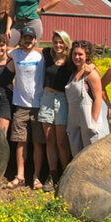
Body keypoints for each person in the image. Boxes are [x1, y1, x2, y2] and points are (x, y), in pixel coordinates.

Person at [5, 26, 45, 190]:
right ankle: (20, 176)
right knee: (21, 142)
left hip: (38, 105)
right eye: (25, 38)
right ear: (20, 40)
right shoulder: (15, 54)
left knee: (37, 143)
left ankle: (36, 176)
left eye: (31, 38)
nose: (28, 41)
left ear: (36, 40)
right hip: (20, 105)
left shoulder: (42, 56)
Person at [37, 31, 73, 192]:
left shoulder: (71, 59)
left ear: (66, 43)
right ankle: (53, 175)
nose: (58, 45)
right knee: (49, 139)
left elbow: (89, 65)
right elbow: (26, 48)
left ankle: (66, 175)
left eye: (61, 42)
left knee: (61, 142)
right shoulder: (46, 54)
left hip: (62, 100)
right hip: (47, 98)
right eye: (55, 42)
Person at [65, 40, 108, 156]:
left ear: (87, 55)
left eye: (80, 54)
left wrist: (92, 122)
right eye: (74, 54)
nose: (77, 57)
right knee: (77, 155)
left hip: (88, 119)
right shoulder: (72, 73)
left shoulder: (90, 73)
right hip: (74, 120)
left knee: (92, 155)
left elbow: (98, 98)